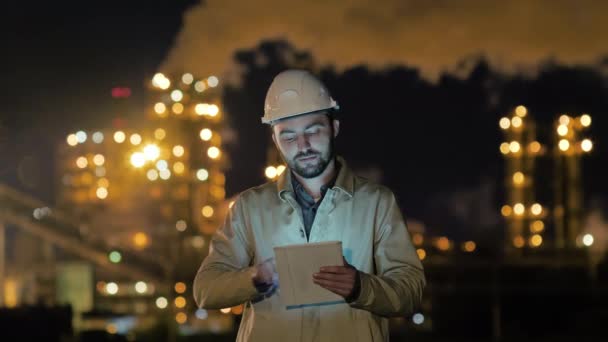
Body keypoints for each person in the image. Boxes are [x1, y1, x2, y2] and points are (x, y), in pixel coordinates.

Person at [193, 69, 425, 341]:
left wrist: (362, 287)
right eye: (288, 136)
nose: (302, 145)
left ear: (334, 127)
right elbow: (205, 290)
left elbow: (411, 290)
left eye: (313, 131)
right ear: (275, 140)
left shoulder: (376, 203)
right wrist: (255, 278)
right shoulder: (249, 207)